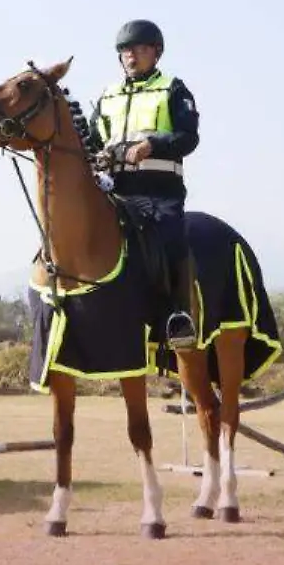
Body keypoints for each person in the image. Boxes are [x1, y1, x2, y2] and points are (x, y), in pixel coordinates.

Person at [85, 19, 201, 350]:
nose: (131, 55)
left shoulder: (173, 89)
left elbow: (188, 137)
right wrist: (95, 157)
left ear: (156, 52)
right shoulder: (108, 95)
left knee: (169, 236)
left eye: (139, 48)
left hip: (159, 191)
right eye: (125, 50)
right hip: (116, 189)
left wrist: (152, 144)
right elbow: (93, 140)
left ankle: (179, 316)